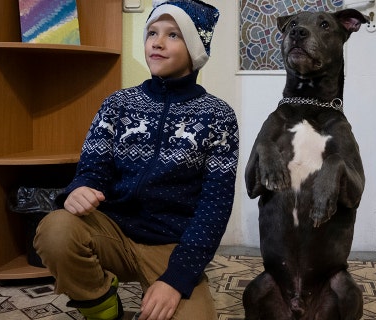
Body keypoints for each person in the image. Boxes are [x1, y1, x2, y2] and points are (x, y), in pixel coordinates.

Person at [33, 1, 238, 319]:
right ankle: (103, 305)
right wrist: (79, 188)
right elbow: (93, 167)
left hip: (171, 245)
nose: (156, 42)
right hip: (111, 231)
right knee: (55, 229)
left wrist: (176, 280)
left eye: (173, 35)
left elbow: (214, 208)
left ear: (195, 48)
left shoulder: (218, 115)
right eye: (152, 32)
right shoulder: (118, 104)